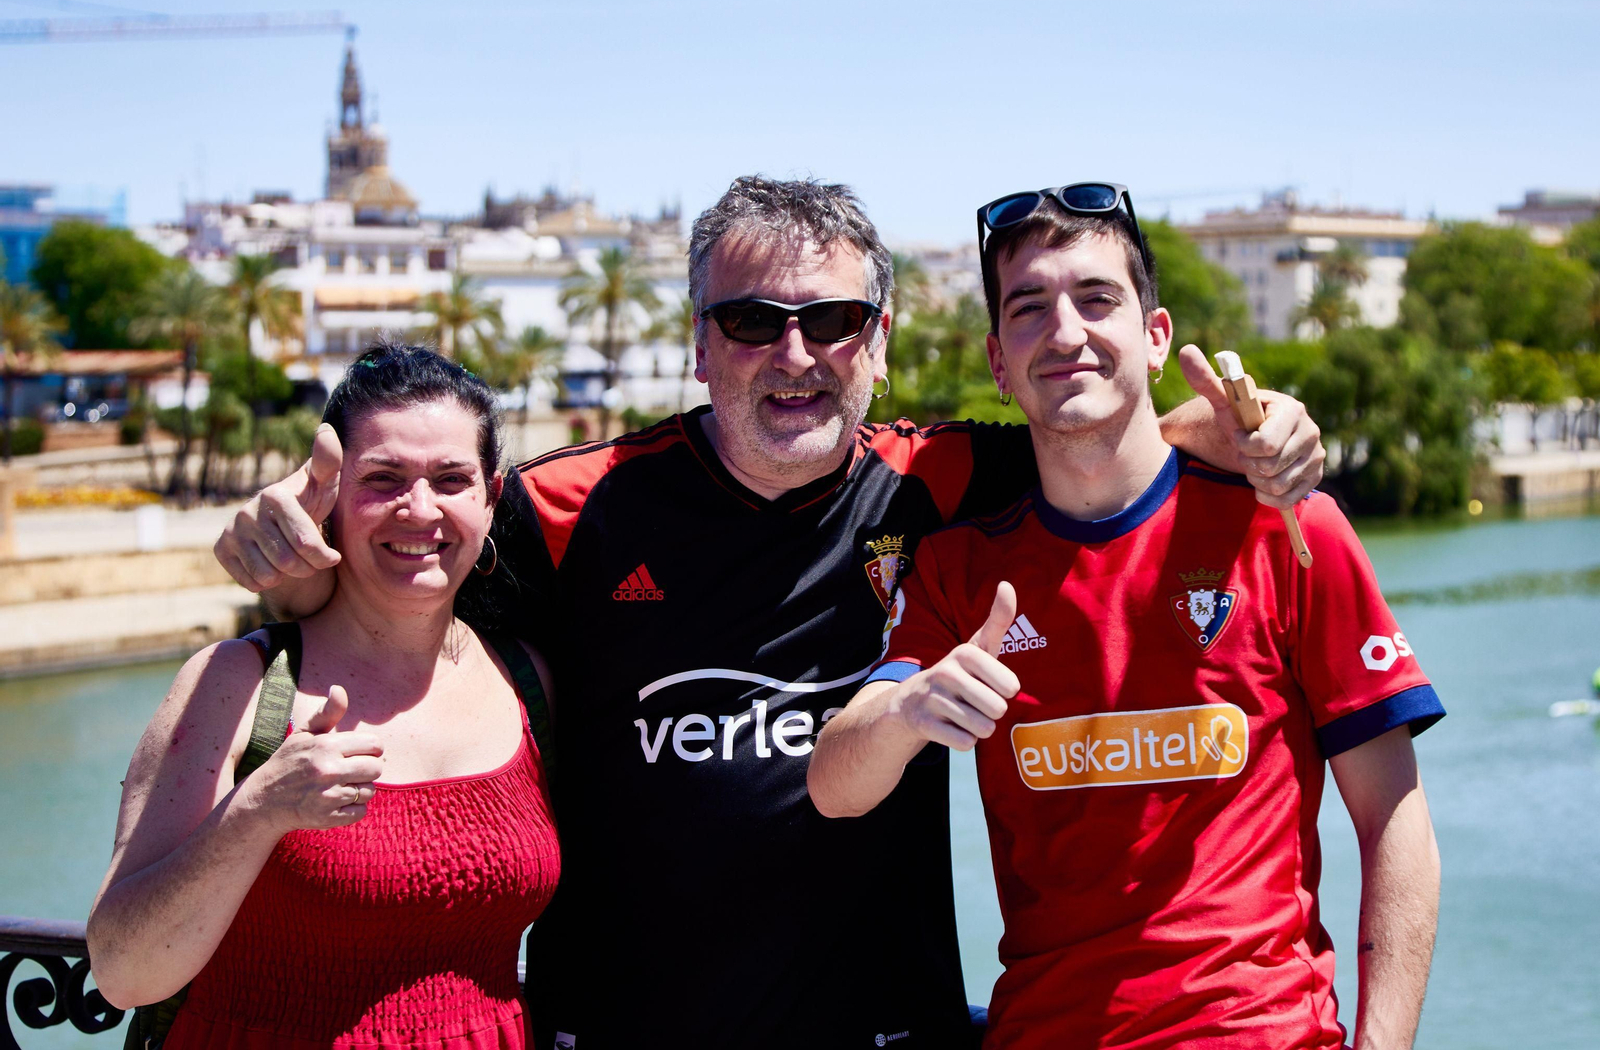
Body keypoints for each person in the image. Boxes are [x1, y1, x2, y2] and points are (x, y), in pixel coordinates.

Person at [212, 177, 1326, 1049]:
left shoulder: (934, 481)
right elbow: (384, 580)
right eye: (751, 321)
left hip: (887, 1032)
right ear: (699, 343)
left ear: (879, 344)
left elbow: (1096, 433)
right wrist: (287, 558)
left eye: (831, 319)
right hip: (618, 1035)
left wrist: (1257, 425)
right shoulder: (569, 505)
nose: (794, 355)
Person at [808, 183, 1443, 1050]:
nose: (1065, 332)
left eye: (1096, 299)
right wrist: (913, 711)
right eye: (1029, 309)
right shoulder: (962, 570)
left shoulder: (1288, 527)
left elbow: (1394, 819)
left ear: (1155, 334)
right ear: (999, 362)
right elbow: (835, 787)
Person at [89, 345, 559, 1049]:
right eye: (384, 478)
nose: (420, 509)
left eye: (451, 479)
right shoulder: (238, 684)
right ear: (328, 498)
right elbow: (124, 974)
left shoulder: (529, 681)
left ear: (492, 497)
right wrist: (258, 812)